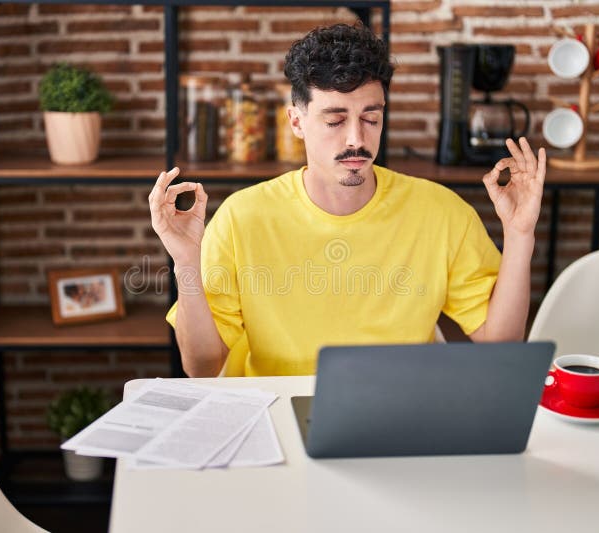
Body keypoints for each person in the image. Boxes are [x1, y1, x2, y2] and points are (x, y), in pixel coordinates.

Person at [149, 23, 545, 378]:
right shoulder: (241, 217)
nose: (356, 138)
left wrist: (519, 233)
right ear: (297, 122)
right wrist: (186, 262)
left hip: (396, 410)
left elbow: (501, 347)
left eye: (371, 118)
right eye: (335, 120)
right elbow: (201, 367)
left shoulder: (442, 213)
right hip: (273, 413)